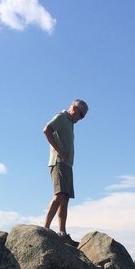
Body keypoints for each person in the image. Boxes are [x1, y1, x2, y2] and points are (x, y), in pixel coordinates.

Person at [43, 99, 88, 239]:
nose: (81, 119)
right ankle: (45, 228)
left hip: (67, 165)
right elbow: (47, 130)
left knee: (65, 198)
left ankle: (62, 231)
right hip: (59, 163)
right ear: (74, 109)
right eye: (82, 115)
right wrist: (58, 151)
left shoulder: (69, 123)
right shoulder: (62, 117)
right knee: (60, 194)